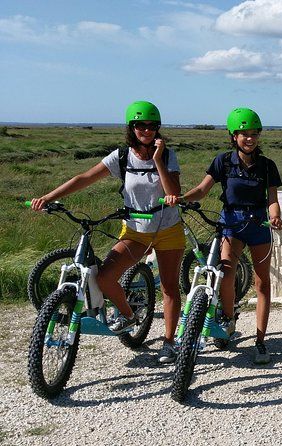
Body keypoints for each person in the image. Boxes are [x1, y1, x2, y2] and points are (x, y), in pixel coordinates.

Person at [30, 100, 185, 364]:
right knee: (104, 277)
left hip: (168, 228)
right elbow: (85, 178)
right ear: (131, 128)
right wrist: (49, 196)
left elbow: (173, 193)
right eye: (140, 125)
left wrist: (158, 159)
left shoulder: (167, 155)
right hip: (136, 230)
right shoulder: (122, 156)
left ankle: (170, 343)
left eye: (152, 126)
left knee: (170, 288)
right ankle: (127, 315)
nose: (146, 131)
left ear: (158, 128)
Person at [164, 107, 282, 365]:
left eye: (254, 134)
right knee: (226, 273)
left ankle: (261, 341)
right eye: (244, 134)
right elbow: (202, 189)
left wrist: (275, 215)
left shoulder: (267, 166)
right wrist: (182, 199)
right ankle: (228, 319)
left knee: (263, 283)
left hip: (259, 224)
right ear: (233, 136)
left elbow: (272, 199)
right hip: (230, 222)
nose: (249, 139)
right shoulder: (223, 161)